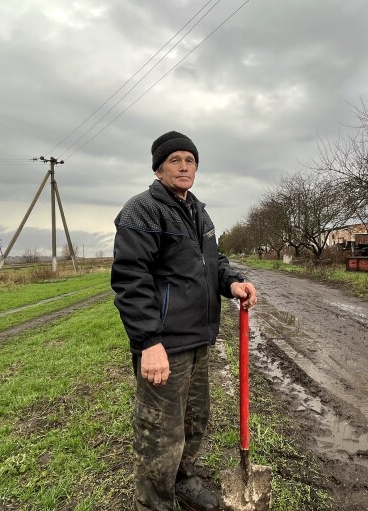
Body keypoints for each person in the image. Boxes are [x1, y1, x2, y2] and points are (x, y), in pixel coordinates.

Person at [111, 131, 258, 511]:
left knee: (195, 420)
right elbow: (131, 280)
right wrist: (148, 342)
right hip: (164, 344)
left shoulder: (198, 211)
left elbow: (213, 262)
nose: (184, 166)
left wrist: (233, 281)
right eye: (174, 160)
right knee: (161, 431)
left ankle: (183, 480)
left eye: (190, 160)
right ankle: (156, 503)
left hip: (198, 339)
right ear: (159, 168)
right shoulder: (142, 210)